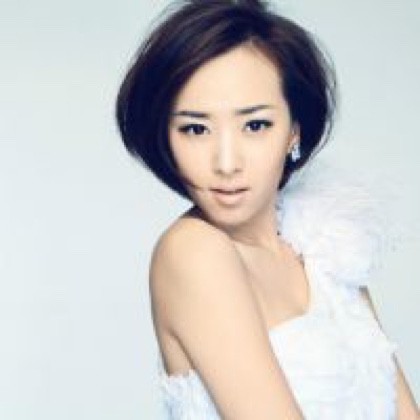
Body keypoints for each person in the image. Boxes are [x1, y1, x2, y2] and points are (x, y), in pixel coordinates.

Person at [115, 0, 419, 418]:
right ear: (165, 136)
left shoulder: (324, 240)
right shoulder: (193, 252)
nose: (226, 163)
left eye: (255, 125)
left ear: (294, 130)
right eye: (196, 129)